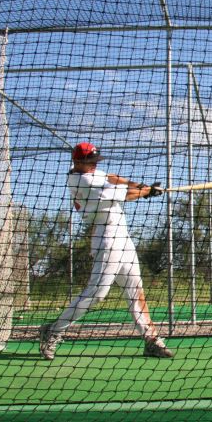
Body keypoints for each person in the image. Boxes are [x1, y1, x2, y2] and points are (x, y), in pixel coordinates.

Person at [39, 142, 174, 359]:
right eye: (90, 162)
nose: (94, 165)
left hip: (123, 237)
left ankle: (151, 340)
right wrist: (147, 191)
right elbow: (127, 194)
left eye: (95, 161)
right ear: (77, 161)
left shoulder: (89, 173)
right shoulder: (84, 182)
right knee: (97, 293)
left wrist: (141, 185)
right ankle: (53, 330)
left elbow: (112, 177)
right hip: (106, 238)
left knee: (135, 290)